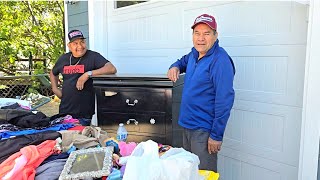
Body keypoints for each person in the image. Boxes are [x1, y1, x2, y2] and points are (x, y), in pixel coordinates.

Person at [167, 14, 235, 172]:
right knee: (189, 171)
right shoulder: (194, 54)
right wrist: (175, 66)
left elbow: (224, 101)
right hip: (186, 125)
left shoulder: (220, 61)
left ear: (215, 36)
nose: (201, 38)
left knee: (204, 174)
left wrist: (216, 135)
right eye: (197, 33)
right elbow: (181, 61)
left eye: (207, 33)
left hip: (203, 131)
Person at [50, 29, 117, 126]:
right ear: (69, 46)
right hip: (65, 111)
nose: (80, 46)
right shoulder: (63, 59)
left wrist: (87, 74)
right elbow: (53, 72)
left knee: (81, 139)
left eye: (82, 42)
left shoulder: (93, 56)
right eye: (75, 43)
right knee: (65, 139)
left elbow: (111, 68)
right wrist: (54, 88)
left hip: (83, 113)